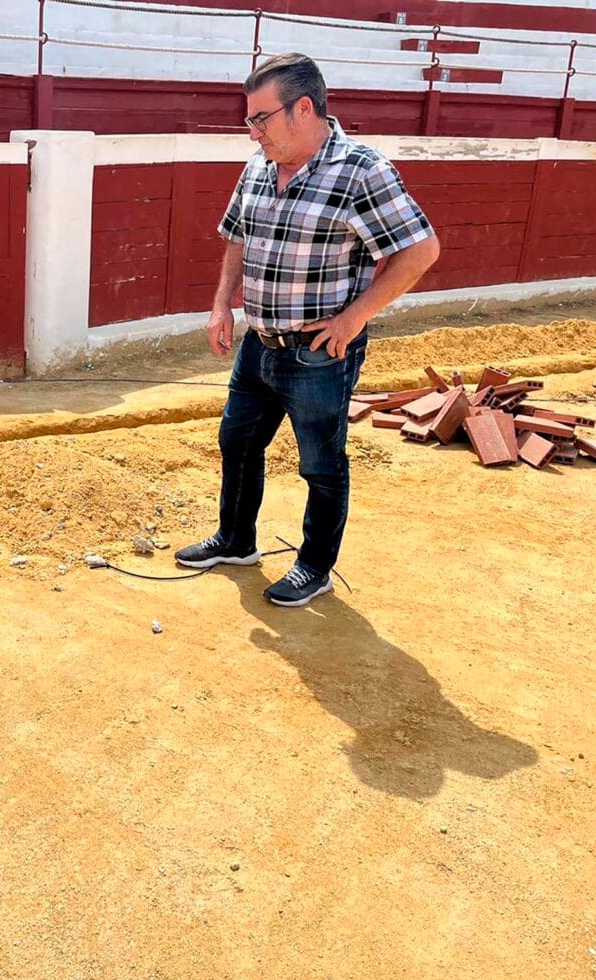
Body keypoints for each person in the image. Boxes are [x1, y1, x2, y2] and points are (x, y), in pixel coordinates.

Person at [174, 53, 440, 607]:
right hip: (259, 342)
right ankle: (235, 539)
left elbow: (421, 249)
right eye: (249, 121)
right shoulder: (259, 166)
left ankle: (314, 566)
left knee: (320, 462)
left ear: (302, 108)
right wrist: (222, 304)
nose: (253, 133)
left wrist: (354, 318)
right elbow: (237, 238)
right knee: (237, 442)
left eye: (260, 119)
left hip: (319, 351)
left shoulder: (362, 170)